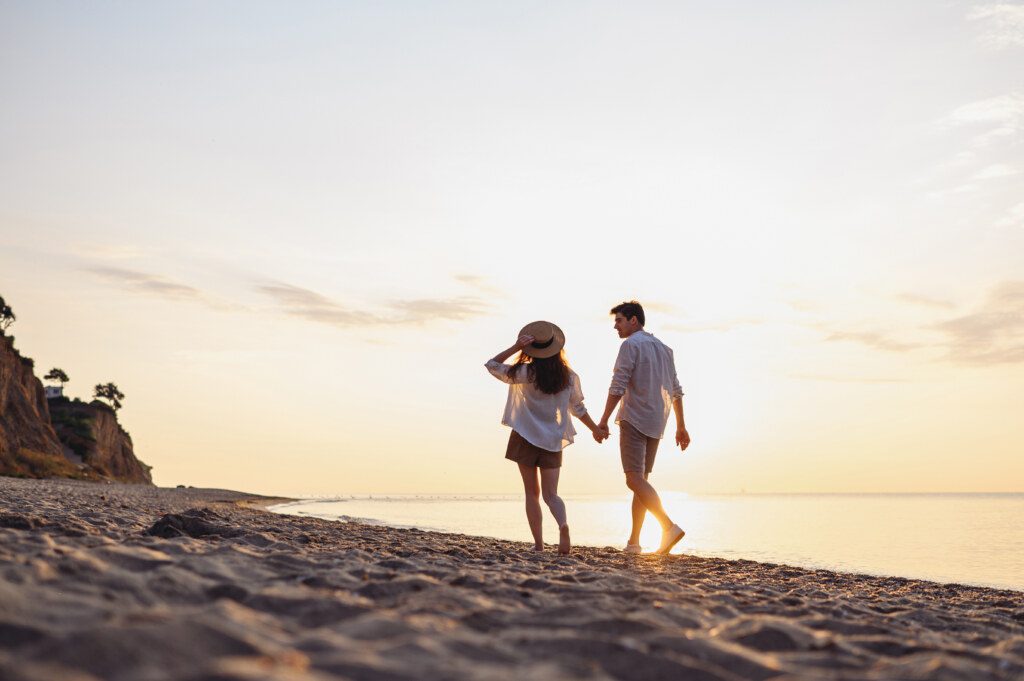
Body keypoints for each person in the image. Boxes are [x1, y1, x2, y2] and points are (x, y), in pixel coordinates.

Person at [486, 321, 606, 555]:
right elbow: (578, 408)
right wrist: (595, 429)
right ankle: (563, 525)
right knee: (552, 495)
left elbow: (492, 365)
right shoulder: (569, 377)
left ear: (533, 349)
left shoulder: (525, 372)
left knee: (532, 493)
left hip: (525, 436)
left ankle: (539, 545)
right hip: (553, 439)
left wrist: (515, 346)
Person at [597, 301, 690, 555]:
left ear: (633, 320)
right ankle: (634, 542)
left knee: (633, 479)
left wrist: (604, 419)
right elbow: (676, 390)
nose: (616, 326)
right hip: (657, 422)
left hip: (634, 419)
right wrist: (681, 426)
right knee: (641, 482)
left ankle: (668, 526)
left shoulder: (630, 345)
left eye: (619, 320)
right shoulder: (664, 349)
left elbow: (618, 384)